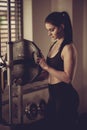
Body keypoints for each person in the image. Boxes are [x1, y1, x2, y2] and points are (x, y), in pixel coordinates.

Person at [37, 11, 79, 130]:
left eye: (52, 29)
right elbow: (49, 73)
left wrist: (46, 66)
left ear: (61, 27)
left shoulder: (68, 48)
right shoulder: (54, 44)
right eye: (48, 30)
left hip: (65, 96)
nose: (49, 33)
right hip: (53, 94)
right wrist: (32, 77)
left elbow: (67, 78)